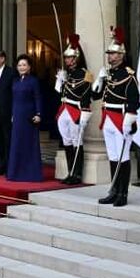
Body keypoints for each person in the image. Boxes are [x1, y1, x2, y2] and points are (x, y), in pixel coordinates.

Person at [92, 27, 140, 207]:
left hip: (122, 118)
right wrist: (100, 79)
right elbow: (96, 96)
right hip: (108, 118)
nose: (110, 56)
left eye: (113, 54)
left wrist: (130, 119)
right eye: (109, 53)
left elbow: (135, 100)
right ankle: (113, 189)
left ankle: (123, 193)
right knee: (113, 156)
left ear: (121, 55)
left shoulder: (128, 75)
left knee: (123, 157)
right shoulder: (108, 73)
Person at [55, 34, 93, 185]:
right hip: (64, 109)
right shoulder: (68, 73)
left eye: (70, 58)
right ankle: (70, 171)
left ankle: (77, 174)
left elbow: (87, 94)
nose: (67, 60)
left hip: (75, 110)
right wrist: (60, 79)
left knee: (77, 142)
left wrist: (85, 111)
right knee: (67, 141)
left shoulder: (85, 74)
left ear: (76, 58)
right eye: (66, 58)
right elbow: (59, 92)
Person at [7, 53, 44, 182]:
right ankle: (15, 173)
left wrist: (39, 114)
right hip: (17, 114)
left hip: (29, 115)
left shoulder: (33, 80)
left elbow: (38, 97)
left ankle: (30, 173)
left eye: (24, 65)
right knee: (17, 143)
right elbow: (13, 99)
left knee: (29, 143)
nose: (22, 67)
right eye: (19, 65)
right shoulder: (15, 81)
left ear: (29, 67)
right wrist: (12, 114)